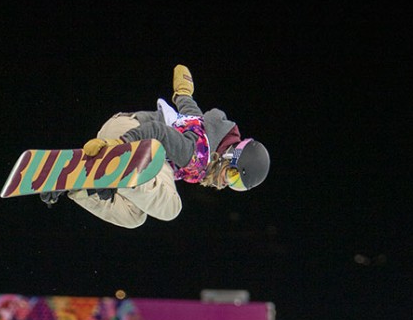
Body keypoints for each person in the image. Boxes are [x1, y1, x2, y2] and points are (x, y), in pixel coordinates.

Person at [41, 64, 270, 228]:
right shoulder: (197, 154)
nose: (225, 184)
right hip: (132, 136)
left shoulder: (203, 132)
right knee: (171, 208)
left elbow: (188, 106)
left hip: (127, 134)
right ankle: (118, 172)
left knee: (134, 217)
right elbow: (158, 132)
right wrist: (118, 146)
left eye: (235, 186)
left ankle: (74, 184)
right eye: (233, 176)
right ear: (230, 155)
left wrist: (182, 91)